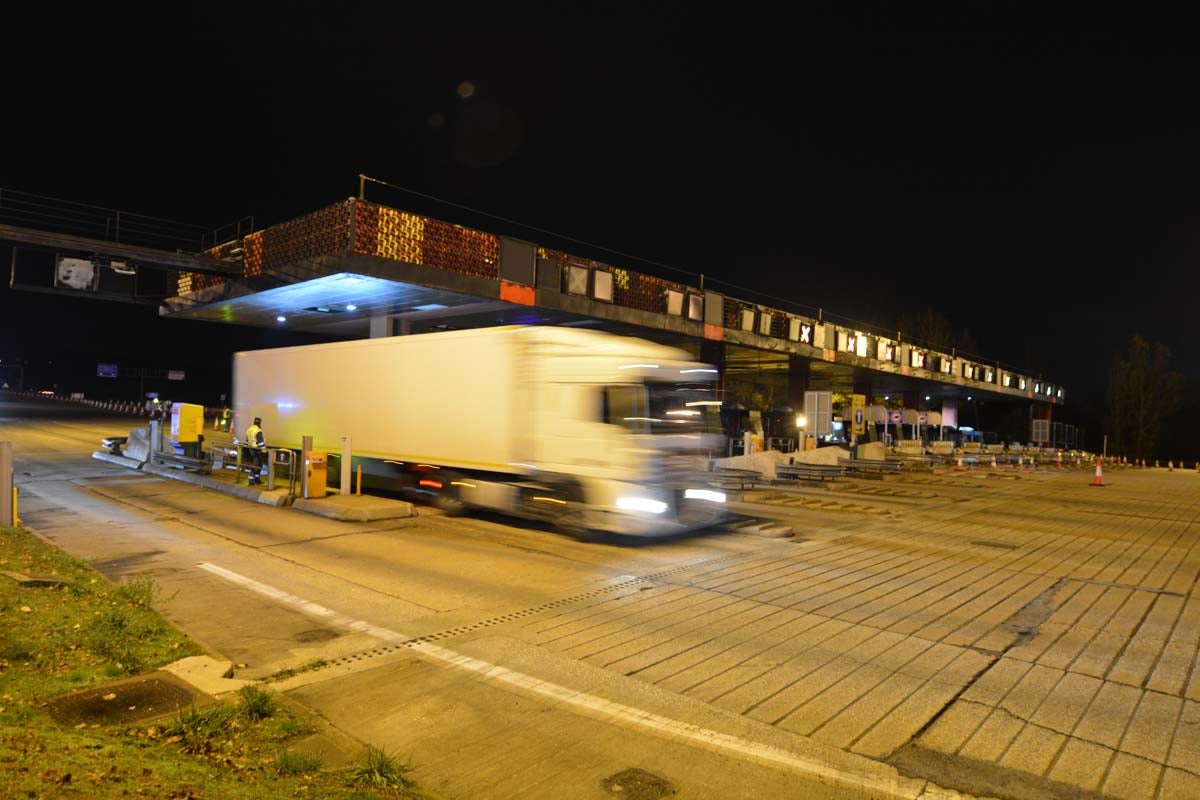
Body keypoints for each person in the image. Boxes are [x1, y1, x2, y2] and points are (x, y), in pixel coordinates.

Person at [244, 417, 267, 484]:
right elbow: (261, 443)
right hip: (257, 449)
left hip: (251, 449)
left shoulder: (249, 429)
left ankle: (256, 478)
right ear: (260, 423)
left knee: (258, 464)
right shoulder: (258, 430)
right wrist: (264, 451)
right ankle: (252, 480)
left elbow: (247, 440)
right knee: (256, 464)